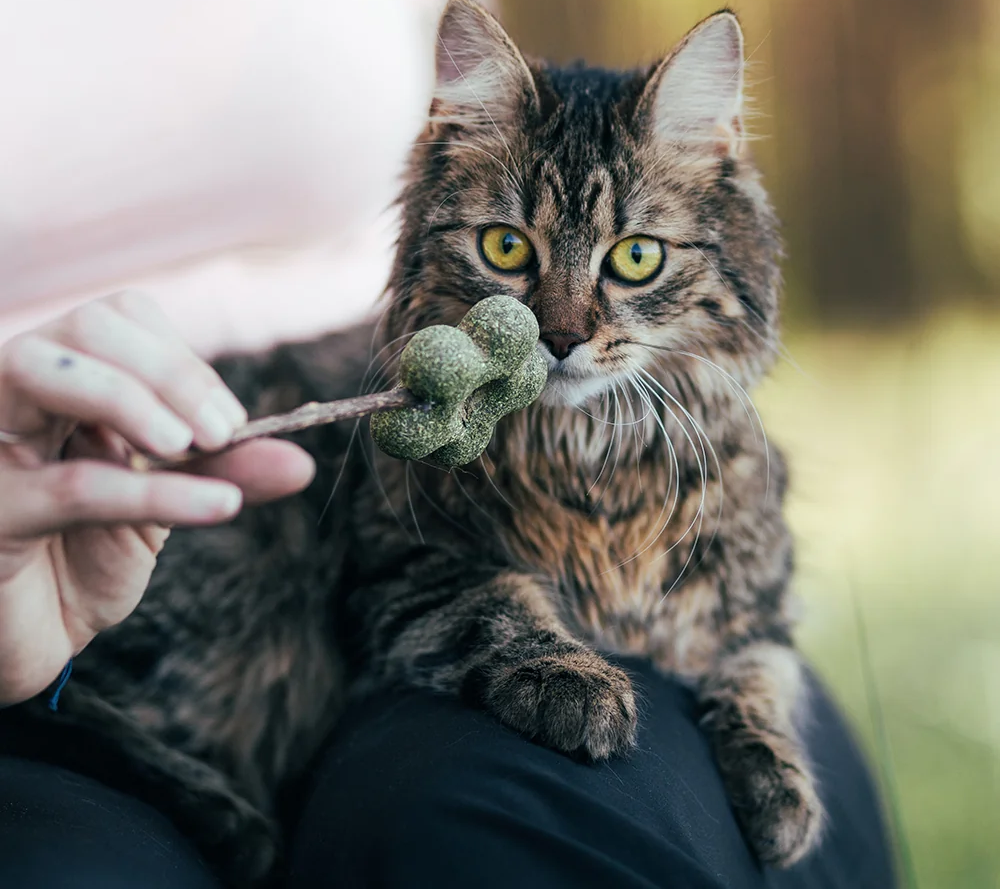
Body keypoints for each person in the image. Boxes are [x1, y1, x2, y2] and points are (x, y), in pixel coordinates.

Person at [0, 295, 897, 889]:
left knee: (513, 825)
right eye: (514, 254)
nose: (567, 322)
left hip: (379, 420)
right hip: (53, 589)